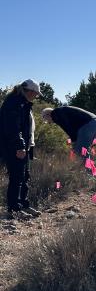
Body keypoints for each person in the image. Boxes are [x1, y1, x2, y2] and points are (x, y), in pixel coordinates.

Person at [0, 80, 42, 219]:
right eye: (35, 94)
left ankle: (23, 205)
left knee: (24, 176)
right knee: (17, 177)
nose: (35, 96)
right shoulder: (14, 103)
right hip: (12, 146)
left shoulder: (22, 103)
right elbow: (13, 127)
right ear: (29, 91)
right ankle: (14, 209)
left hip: (22, 146)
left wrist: (27, 146)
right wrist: (19, 146)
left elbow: (25, 127)